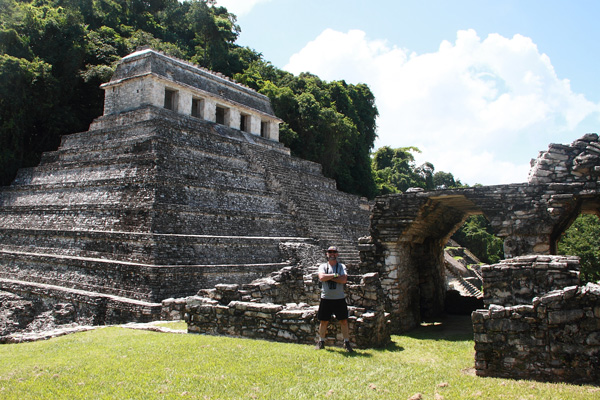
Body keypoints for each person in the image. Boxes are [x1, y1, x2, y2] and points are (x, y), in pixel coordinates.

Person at [315, 246, 353, 352]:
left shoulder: (341, 266)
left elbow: (344, 279)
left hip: (339, 298)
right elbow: (321, 277)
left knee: (344, 321)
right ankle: (321, 341)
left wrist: (329, 276)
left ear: (337, 254)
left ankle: (346, 342)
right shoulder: (323, 266)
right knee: (323, 321)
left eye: (334, 252)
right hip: (326, 298)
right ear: (327, 254)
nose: (332, 254)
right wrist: (336, 275)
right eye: (330, 252)